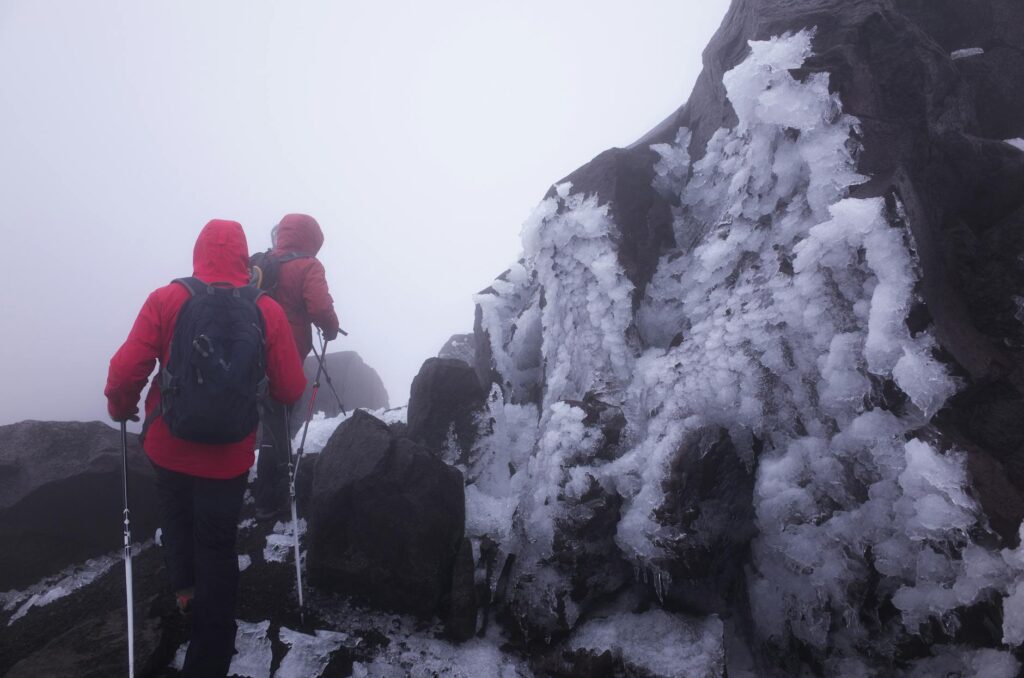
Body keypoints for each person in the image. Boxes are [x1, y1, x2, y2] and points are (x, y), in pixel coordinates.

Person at [105, 219, 306, 677]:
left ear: (198, 251)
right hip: (229, 455)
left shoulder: (168, 298)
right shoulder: (265, 308)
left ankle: (184, 593)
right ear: (243, 258)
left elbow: (125, 369)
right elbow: (291, 386)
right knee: (217, 543)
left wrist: (122, 406)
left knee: (177, 519)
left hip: (170, 445)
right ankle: (210, 657)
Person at [252, 213, 341, 521]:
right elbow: (318, 306)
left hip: (252, 349)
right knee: (282, 418)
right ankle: (272, 493)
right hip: (285, 352)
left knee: (269, 417)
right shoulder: (308, 265)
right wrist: (330, 328)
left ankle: (261, 486)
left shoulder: (264, 262)